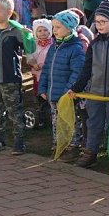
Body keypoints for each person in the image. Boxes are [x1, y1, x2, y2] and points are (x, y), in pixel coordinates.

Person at [68, 0, 109, 168]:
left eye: (103, 22)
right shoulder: (94, 44)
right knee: (93, 124)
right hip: (95, 93)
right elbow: (86, 70)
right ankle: (90, 153)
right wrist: (76, 88)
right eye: (97, 22)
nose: (99, 25)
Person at [0, 0, 35, 154]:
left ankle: (19, 141)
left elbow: (30, 47)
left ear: (8, 12)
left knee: (14, 110)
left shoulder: (16, 31)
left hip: (10, 78)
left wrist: (28, 35)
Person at [37, 10, 85, 161]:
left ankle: (73, 146)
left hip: (67, 95)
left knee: (70, 121)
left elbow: (77, 73)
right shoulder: (54, 46)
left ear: (69, 28)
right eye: (54, 27)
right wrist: (42, 87)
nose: (54, 30)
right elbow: (46, 68)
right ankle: (58, 144)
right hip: (53, 93)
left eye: (58, 27)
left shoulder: (75, 48)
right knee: (56, 120)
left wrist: (68, 90)